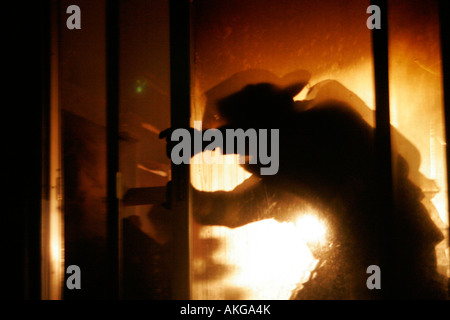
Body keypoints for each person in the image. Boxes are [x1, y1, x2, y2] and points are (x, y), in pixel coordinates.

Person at [160, 70, 448, 299]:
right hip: (383, 255)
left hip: (388, 257)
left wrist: (196, 179)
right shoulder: (320, 130)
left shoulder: (315, 138)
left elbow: (243, 204)